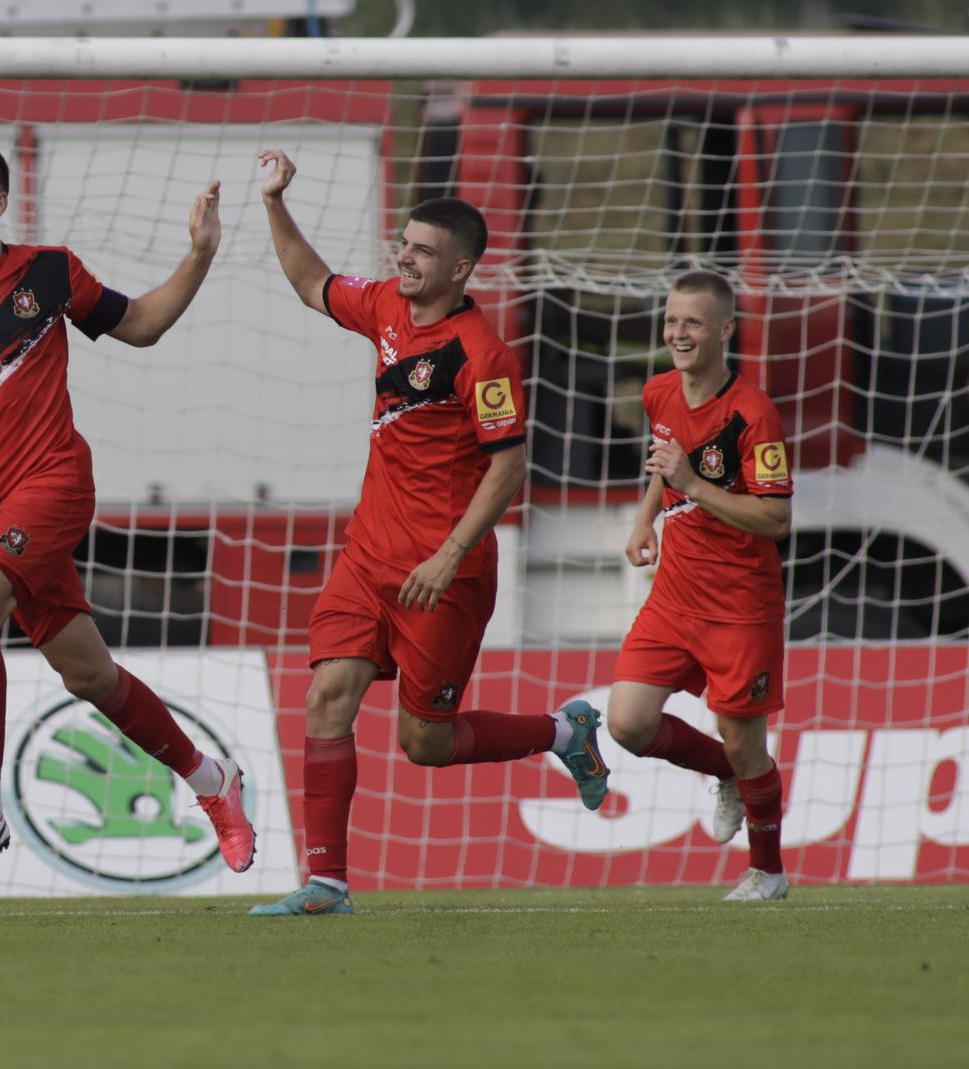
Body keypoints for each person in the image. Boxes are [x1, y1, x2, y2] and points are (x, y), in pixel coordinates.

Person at [0, 137, 254, 875]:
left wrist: (200, 255)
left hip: (54, 483)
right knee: (90, 675)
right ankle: (216, 783)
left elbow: (140, 324)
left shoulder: (48, 272)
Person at [248, 149, 609, 917]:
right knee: (326, 697)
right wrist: (275, 202)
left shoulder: (483, 358)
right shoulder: (383, 305)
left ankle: (561, 732)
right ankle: (327, 883)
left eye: (422, 251)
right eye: (404, 245)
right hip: (368, 556)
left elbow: (509, 469)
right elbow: (311, 281)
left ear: (462, 269)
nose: (403, 258)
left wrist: (448, 554)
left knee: (425, 743)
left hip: (447, 571)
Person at [605, 270, 793, 902]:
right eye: (671, 320)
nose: (677, 333)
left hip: (741, 605)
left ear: (724, 331)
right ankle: (729, 776)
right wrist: (643, 519)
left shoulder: (753, 413)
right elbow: (666, 461)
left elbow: (775, 518)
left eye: (692, 322)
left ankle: (768, 871)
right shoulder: (659, 392)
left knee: (746, 742)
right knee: (627, 722)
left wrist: (692, 487)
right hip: (675, 597)